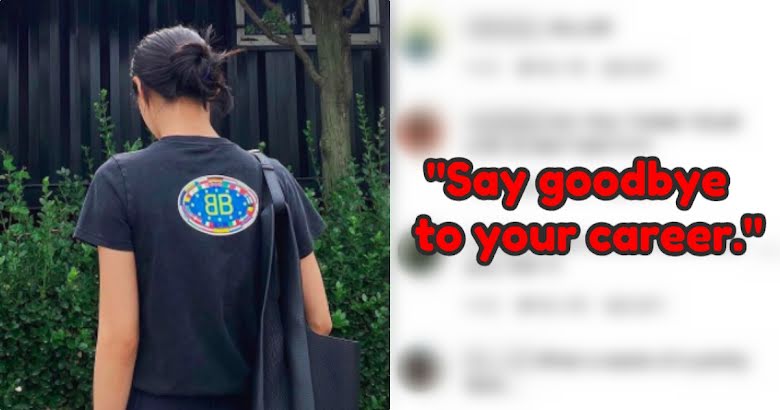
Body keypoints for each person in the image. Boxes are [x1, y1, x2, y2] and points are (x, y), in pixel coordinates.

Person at [73, 25, 333, 410]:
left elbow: (121, 338)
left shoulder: (119, 181)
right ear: (211, 87)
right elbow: (320, 320)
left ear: (140, 89)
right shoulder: (271, 178)